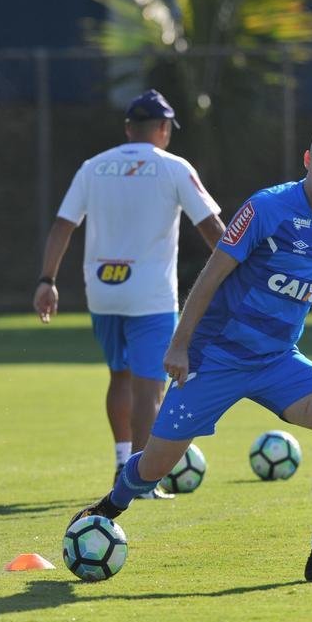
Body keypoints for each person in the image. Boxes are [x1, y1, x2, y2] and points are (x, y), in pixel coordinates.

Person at [70, 120, 312, 583]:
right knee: (152, 468)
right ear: (308, 161)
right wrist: (180, 344)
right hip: (217, 359)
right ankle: (109, 506)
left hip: (277, 360)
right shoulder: (266, 207)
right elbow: (212, 273)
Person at [34, 89, 225, 499]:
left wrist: (46, 280)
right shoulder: (174, 168)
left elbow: (63, 226)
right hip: (150, 296)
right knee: (149, 388)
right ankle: (138, 479)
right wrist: (238, 272)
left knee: (118, 376)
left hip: (102, 291)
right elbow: (210, 226)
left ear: (126, 129)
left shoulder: (93, 167)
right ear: (162, 129)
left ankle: (124, 460)